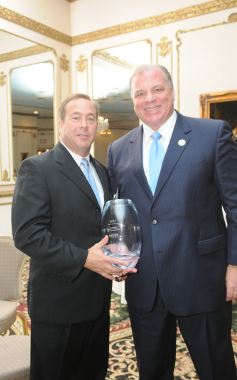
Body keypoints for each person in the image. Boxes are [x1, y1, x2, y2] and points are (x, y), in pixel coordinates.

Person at [107, 64, 237, 379]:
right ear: (133, 100)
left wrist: (234, 266)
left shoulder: (212, 134)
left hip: (202, 279)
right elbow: (119, 214)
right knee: (152, 371)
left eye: (157, 90)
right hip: (144, 284)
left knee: (216, 369)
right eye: (140, 93)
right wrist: (117, 256)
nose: (149, 99)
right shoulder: (118, 149)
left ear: (172, 91)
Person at [12, 93, 136, 380]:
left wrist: (115, 261)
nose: (84, 124)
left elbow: (104, 227)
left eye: (90, 118)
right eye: (76, 117)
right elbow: (27, 234)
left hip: (98, 302)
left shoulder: (103, 172)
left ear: (96, 125)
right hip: (58, 306)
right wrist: (84, 259)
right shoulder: (37, 168)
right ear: (61, 124)